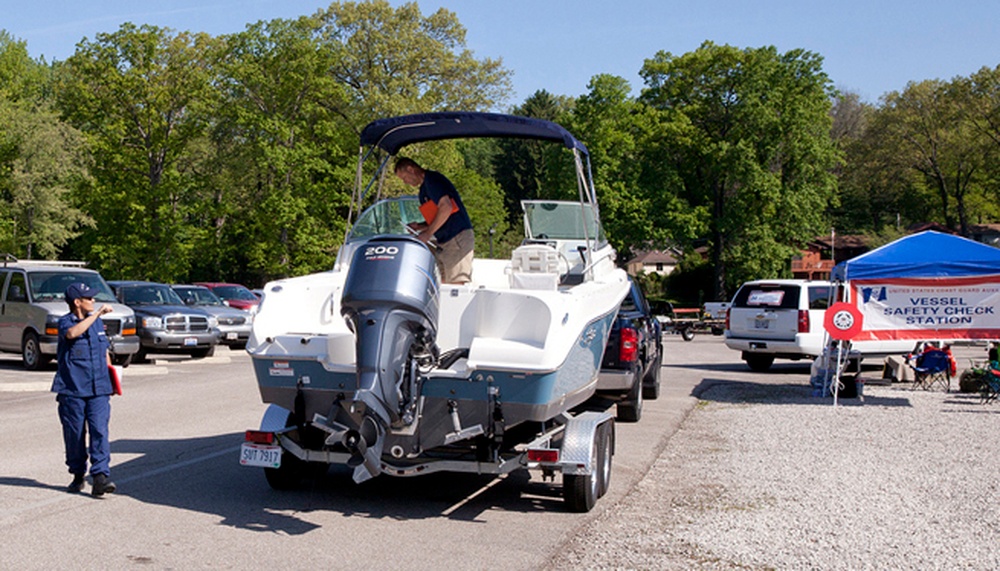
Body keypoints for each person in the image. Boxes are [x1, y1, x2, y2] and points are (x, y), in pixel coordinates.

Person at [52, 282, 117, 497]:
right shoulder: (65, 322)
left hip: (98, 388)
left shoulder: (97, 325)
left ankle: (100, 477)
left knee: (100, 431)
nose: (93, 301)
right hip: (73, 389)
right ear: (77, 302)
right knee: (75, 434)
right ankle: (78, 473)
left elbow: (103, 351)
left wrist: (113, 378)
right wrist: (97, 314)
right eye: (89, 298)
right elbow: (72, 334)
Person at [394, 157, 475, 284]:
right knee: (442, 285)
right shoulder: (423, 191)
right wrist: (419, 226)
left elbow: (446, 207)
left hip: (456, 238)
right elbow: (438, 217)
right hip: (444, 241)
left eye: (405, 178)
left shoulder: (432, 180)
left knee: (456, 287)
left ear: (411, 169)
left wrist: (427, 234)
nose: (406, 182)